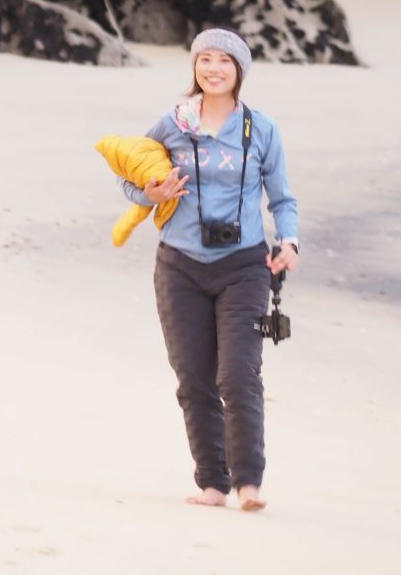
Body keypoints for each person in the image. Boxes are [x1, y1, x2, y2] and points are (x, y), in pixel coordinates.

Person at [118, 28, 299, 512]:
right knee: (193, 379)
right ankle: (213, 486)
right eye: (205, 60)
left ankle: (249, 485)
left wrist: (291, 241)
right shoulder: (172, 124)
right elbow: (129, 178)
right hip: (179, 266)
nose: (214, 68)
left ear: (240, 71)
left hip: (244, 265)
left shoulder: (261, 129)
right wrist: (151, 195)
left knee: (238, 375)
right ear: (195, 68)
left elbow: (282, 199)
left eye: (225, 61)